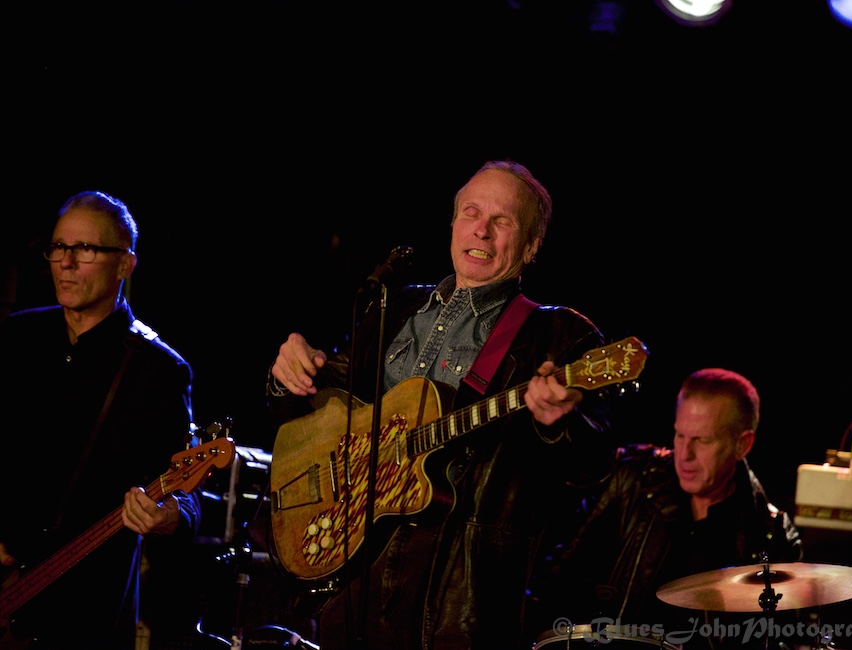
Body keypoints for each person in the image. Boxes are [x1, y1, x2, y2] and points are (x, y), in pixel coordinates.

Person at [265, 159, 618, 649]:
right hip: (353, 580)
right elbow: (311, 417)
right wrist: (289, 373)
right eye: (472, 213)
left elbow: (594, 467)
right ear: (452, 224)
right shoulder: (393, 308)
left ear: (531, 246)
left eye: (504, 221)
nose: (482, 230)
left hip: (458, 594)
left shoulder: (558, 336)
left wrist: (561, 420)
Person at [0, 191, 203, 650]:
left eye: (86, 249)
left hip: (83, 609)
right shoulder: (18, 336)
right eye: (58, 247)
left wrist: (167, 515)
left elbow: (187, 500)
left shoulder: (158, 370)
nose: (66, 263)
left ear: (125, 265)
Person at [527, 367, 803, 650]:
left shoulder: (771, 534)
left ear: (742, 445)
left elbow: (781, 640)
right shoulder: (632, 480)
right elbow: (551, 585)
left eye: (702, 440)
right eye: (680, 435)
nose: (685, 454)